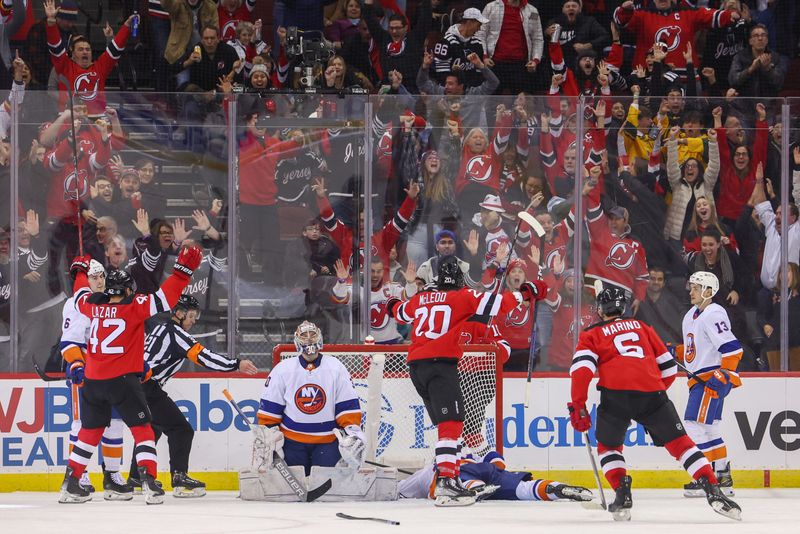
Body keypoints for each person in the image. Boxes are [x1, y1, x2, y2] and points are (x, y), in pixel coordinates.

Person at [568, 285, 741, 521]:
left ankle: (622, 492)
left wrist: (578, 404)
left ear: (600, 310)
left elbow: (582, 370)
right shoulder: (643, 327)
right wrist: (654, 395)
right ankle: (713, 489)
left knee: (609, 448)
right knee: (682, 445)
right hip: (653, 393)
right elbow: (669, 369)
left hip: (615, 395)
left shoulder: (592, 334)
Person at [386, 256, 546, 506]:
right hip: (441, 364)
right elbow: (500, 304)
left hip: (416, 367)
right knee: (452, 423)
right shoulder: (464, 296)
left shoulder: (421, 298)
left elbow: (399, 312)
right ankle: (447, 481)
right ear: (460, 281)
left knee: (447, 427)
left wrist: (393, 302)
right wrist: (525, 293)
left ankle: (449, 472)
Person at [57, 246, 202, 504]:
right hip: (122, 381)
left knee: (90, 431)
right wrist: (183, 272)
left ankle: (71, 482)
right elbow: (166, 298)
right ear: (126, 291)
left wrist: (79, 271)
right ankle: (149, 482)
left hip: (93, 381)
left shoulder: (91, 306)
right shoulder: (134, 306)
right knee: (143, 430)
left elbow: (80, 291)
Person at [246, 321, 397, 502]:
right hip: (292, 444)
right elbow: (270, 411)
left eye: (312, 338)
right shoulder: (283, 370)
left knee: (327, 496)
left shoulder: (336, 367)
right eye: (305, 339)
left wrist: (352, 433)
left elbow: (346, 406)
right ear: (297, 342)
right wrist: (268, 436)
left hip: (327, 443)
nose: (309, 343)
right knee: (291, 497)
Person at [126, 295, 258, 496]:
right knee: (181, 429)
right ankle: (179, 478)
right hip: (147, 387)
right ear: (179, 313)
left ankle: (136, 478)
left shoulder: (159, 328)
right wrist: (236, 364)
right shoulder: (176, 333)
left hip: (136, 385)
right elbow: (204, 357)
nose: (194, 320)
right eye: (191, 315)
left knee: (153, 428)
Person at [60, 259, 132, 501]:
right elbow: (69, 342)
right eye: (93, 277)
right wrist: (78, 366)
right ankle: (76, 475)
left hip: (110, 375)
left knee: (114, 423)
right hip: (85, 376)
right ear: (84, 280)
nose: (99, 281)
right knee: (82, 425)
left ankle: (111, 476)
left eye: (101, 276)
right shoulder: (77, 304)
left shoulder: (110, 303)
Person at [680, 272, 743, 499]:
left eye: (696, 288)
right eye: (691, 287)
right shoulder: (691, 315)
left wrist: (724, 374)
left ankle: (705, 478)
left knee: (693, 424)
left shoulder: (713, 313)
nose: (691, 291)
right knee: (709, 428)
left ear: (708, 291)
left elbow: (732, 348)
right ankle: (722, 477)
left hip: (709, 380)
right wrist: (673, 352)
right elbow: (694, 349)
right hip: (700, 378)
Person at [44, 0, 134, 115]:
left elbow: (115, 51)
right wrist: (51, 22)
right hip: (71, 120)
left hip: (98, 120)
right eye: (80, 49)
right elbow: (55, 48)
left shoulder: (99, 68)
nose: (85, 52)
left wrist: (126, 27)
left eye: (88, 49)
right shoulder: (65, 67)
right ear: (72, 53)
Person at [399, 450, 593, 503]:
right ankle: (555, 489)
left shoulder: (433, 468)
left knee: (463, 480)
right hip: (490, 470)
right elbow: (498, 462)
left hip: (466, 474)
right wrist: (493, 467)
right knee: (523, 490)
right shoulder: (472, 453)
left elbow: (400, 490)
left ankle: (477, 489)